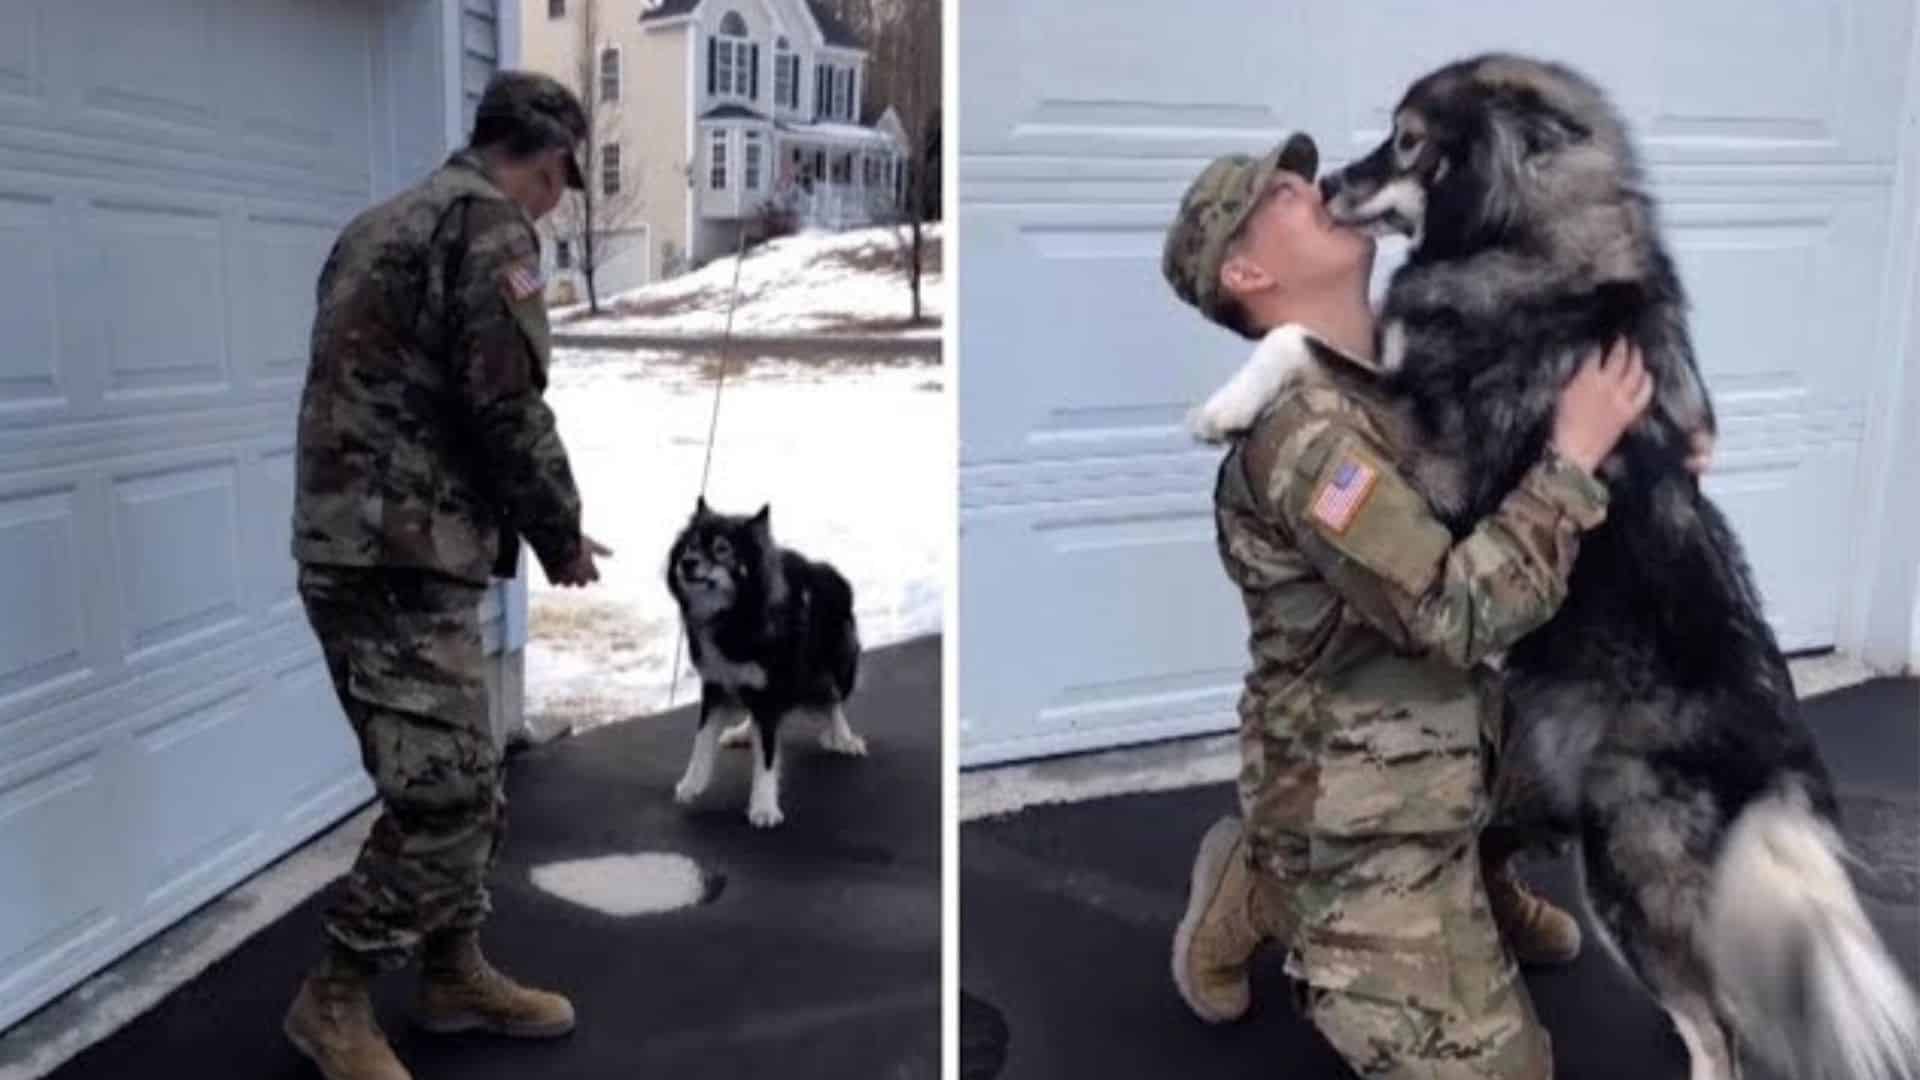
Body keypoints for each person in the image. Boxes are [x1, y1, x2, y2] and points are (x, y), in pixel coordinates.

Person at [1160, 133, 1683, 1077]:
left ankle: (1472, 872)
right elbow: (1456, 611)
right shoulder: (1307, 444)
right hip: (1359, 809)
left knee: (1634, 738)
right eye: (1281, 193)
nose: (1312, 186)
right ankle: (1274, 883)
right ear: (1244, 268)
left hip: (1458, 730)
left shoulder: (1397, 374)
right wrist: (1570, 460)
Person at [284, 70, 611, 1080]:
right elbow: (505, 407)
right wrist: (562, 532)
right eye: (563, 179)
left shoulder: (376, 225)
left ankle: (451, 969)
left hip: (359, 549)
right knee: (446, 797)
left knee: (464, 769)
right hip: (402, 559)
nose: (558, 199)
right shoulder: (490, 230)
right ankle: (334, 998)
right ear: (550, 162)